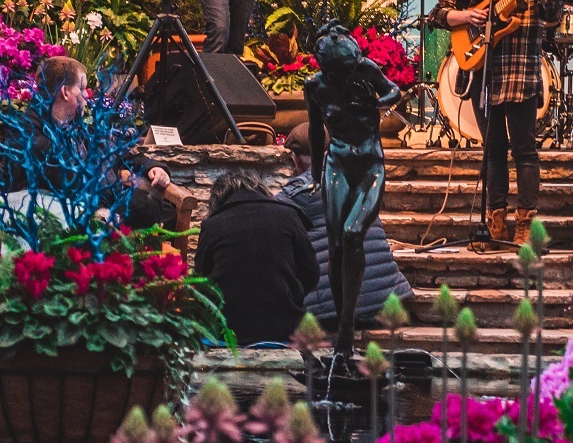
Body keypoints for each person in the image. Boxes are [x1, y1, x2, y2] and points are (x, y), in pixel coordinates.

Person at [429, 0, 563, 248]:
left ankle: (525, 222)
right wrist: (466, 16)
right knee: (492, 149)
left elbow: (551, 18)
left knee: (523, 148)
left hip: (520, 66)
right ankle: (495, 221)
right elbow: (438, 13)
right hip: (483, 70)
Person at [278, 121, 411, 328]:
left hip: (334, 312)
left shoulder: (300, 192)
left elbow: (264, 222)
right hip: (389, 300)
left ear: (294, 158)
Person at [26, 56, 177, 229]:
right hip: (67, 220)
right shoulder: (32, 135)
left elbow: (122, 153)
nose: (86, 96)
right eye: (82, 89)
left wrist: (153, 167)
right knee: (145, 211)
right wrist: (97, 212)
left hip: (105, 206)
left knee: (161, 209)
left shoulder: (77, 125)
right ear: (65, 92)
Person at [192, 168, 322, 347]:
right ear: (260, 188)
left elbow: (201, 282)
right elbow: (311, 272)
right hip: (285, 330)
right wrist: (288, 293)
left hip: (227, 332)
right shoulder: (289, 215)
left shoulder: (212, 225)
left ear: (217, 198)